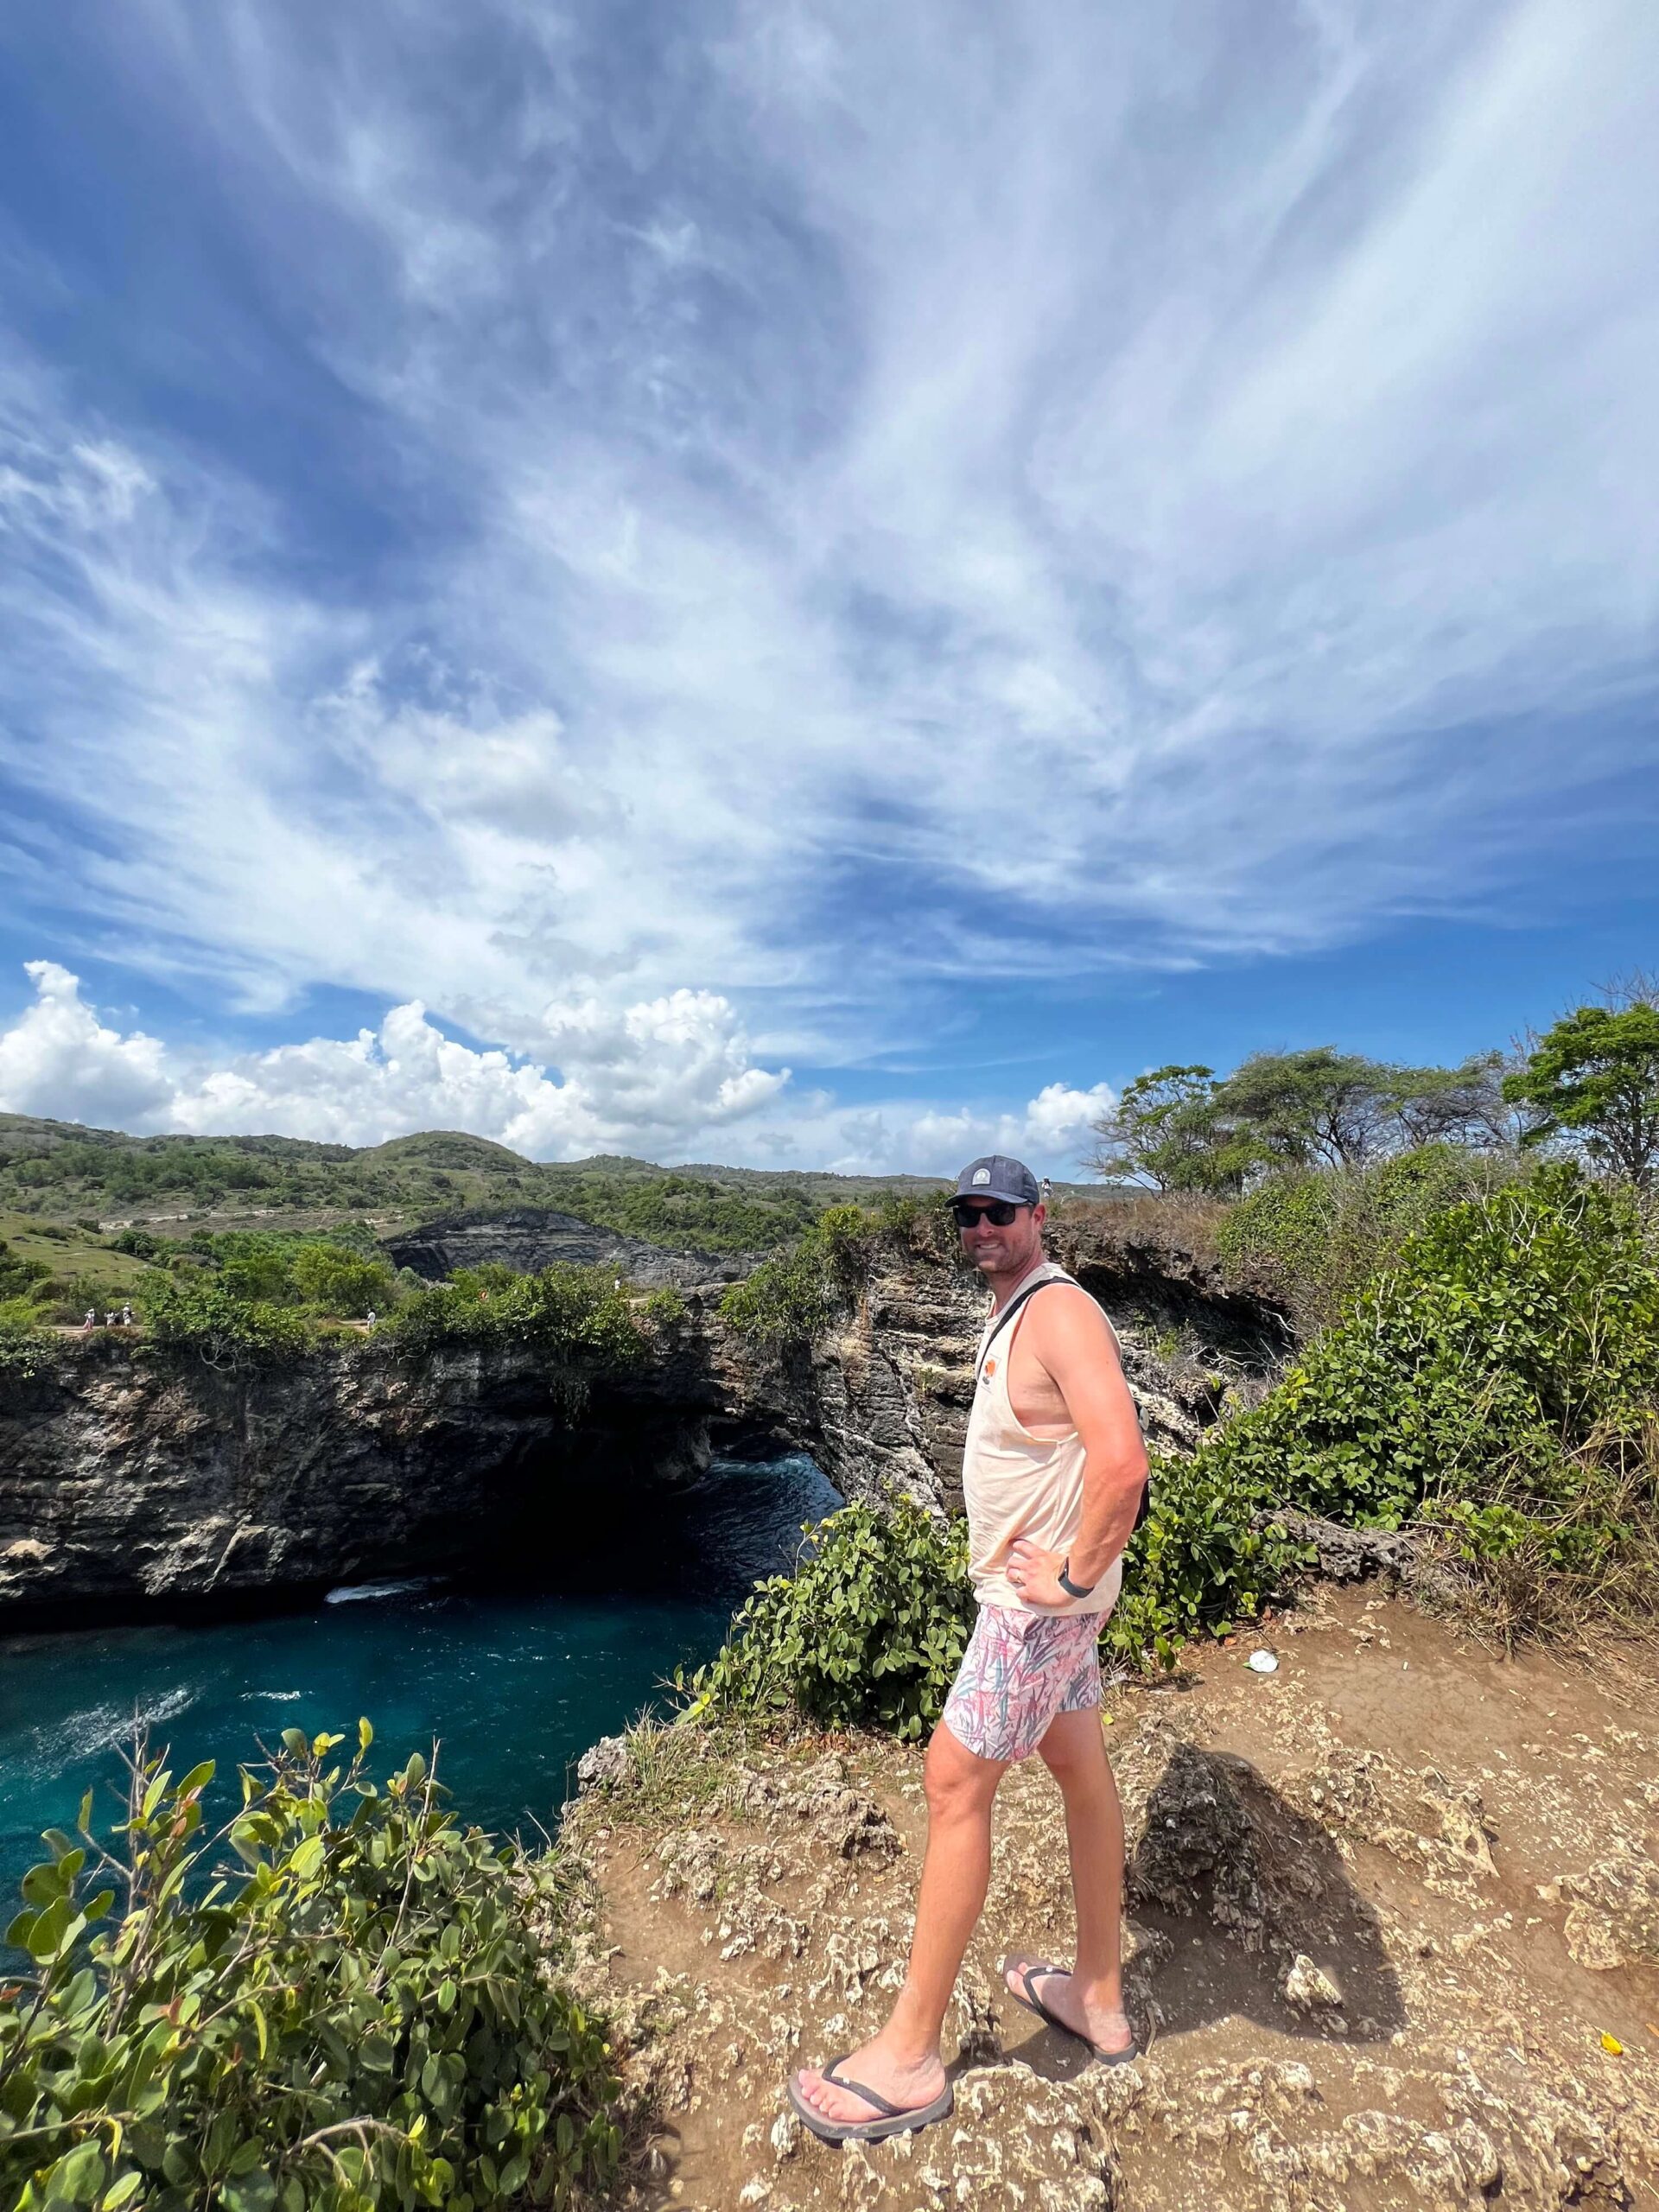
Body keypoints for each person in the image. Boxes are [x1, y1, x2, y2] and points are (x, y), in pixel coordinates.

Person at [788, 1154, 1149, 2145]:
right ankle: (1099, 1997)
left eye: (999, 1211)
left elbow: (1124, 1462)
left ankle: (907, 2056)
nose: (981, 1226)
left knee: (953, 1783)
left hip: (1033, 1616)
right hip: (1053, 1615)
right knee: (1080, 1768)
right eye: (967, 1213)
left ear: (1041, 1214)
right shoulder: (1019, 1306)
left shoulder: (1060, 1312)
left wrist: (1071, 1578)